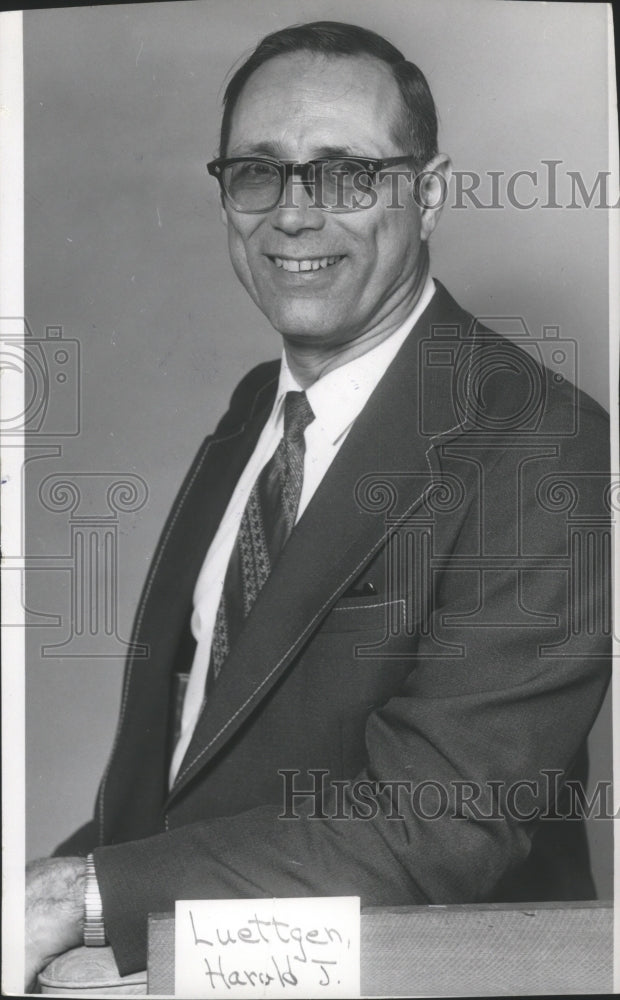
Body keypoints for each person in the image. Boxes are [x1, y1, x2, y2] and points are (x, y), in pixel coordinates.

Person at [25, 20, 611, 986]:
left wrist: (86, 901)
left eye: (346, 174)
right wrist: (78, 896)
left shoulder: (545, 443)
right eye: (260, 172)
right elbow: (192, 759)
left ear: (427, 195)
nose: (295, 216)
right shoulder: (258, 406)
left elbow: (444, 823)